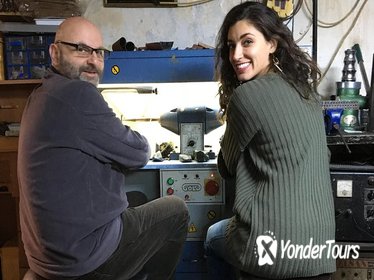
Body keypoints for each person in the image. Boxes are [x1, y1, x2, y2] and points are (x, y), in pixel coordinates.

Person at [18, 16, 189, 280]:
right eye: (81, 49)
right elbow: (139, 153)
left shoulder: (41, 95)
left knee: (136, 201)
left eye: (99, 52)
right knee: (176, 210)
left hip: (47, 256)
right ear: (55, 53)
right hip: (83, 259)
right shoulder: (77, 94)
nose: (93, 60)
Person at [204, 2, 336, 280]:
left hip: (270, 251)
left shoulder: (246, 97)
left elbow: (226, 168)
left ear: (272, 44)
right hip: (320, 252)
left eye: (247, 42)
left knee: (211, 237)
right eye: (230, 46)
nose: (236, 54)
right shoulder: (308, 93)